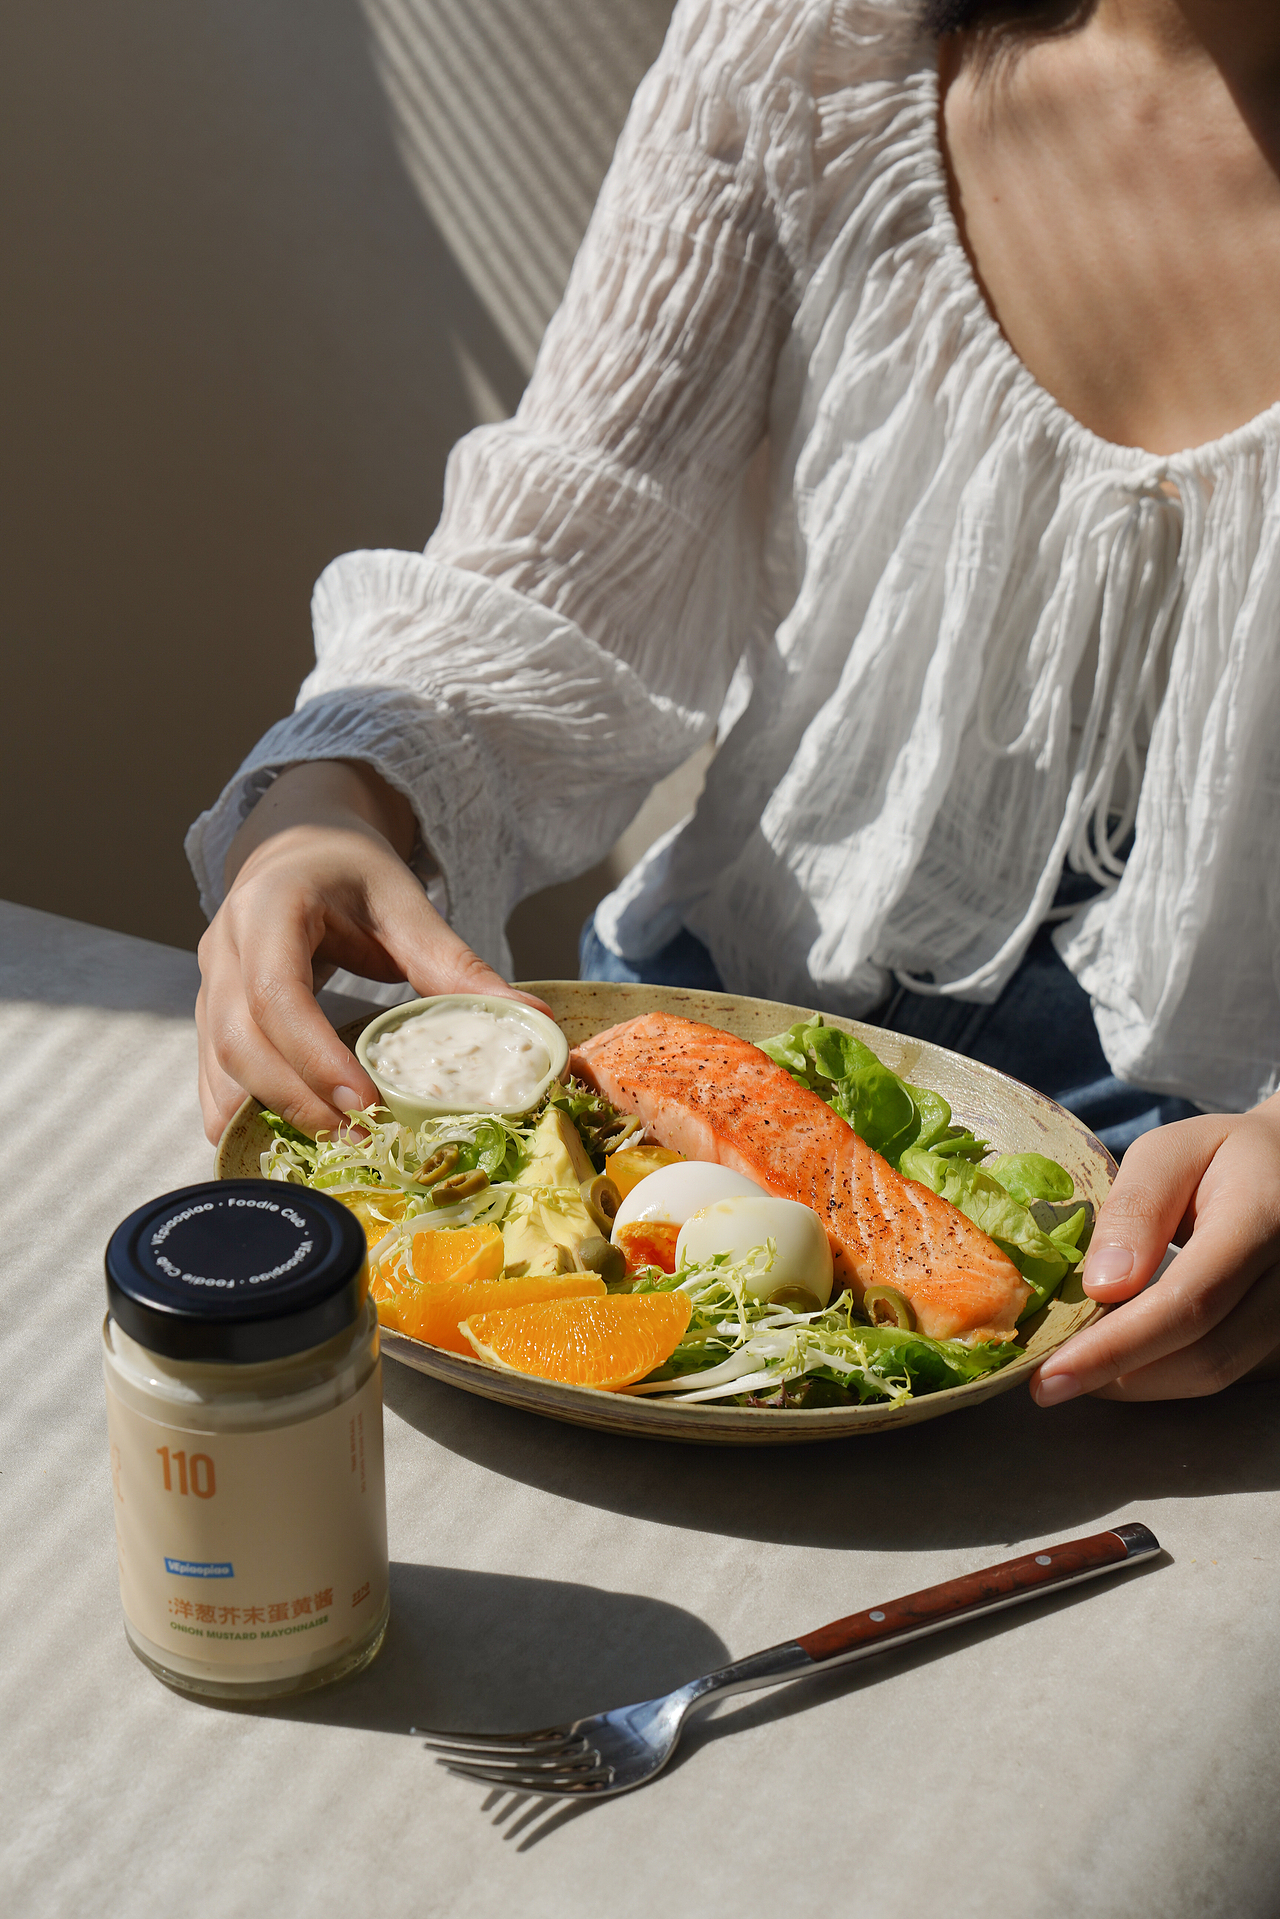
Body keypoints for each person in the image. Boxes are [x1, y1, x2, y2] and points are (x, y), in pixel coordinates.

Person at [188, 0, 1280, 1402]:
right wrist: (330, 798)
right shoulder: (818, 46)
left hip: (1195, 1231)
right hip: (696, 1026)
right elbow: (570, 551)